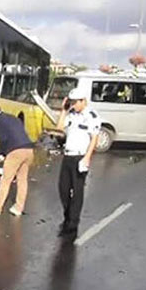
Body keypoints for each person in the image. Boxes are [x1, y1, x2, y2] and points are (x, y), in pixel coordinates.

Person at [53, 88, 102, 238]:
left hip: (80, 157)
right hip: (68, 156)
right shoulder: (72, 115)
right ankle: (68, 216)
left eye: (75, 102)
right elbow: (59, 128)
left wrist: (87, 157)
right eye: (71, 102)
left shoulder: (91, 116)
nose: (73, 105)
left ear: (83, 101)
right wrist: (64, 110)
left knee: (77, 191)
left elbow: (94, 138)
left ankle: (73, 223)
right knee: (63, 189)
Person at [0, 103, 34, 217]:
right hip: (29, 149)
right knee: (22, 180)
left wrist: (1, 153)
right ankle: (18, 208)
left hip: (15, 151)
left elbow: (3, 138)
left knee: (6, 180)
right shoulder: (13, 118)